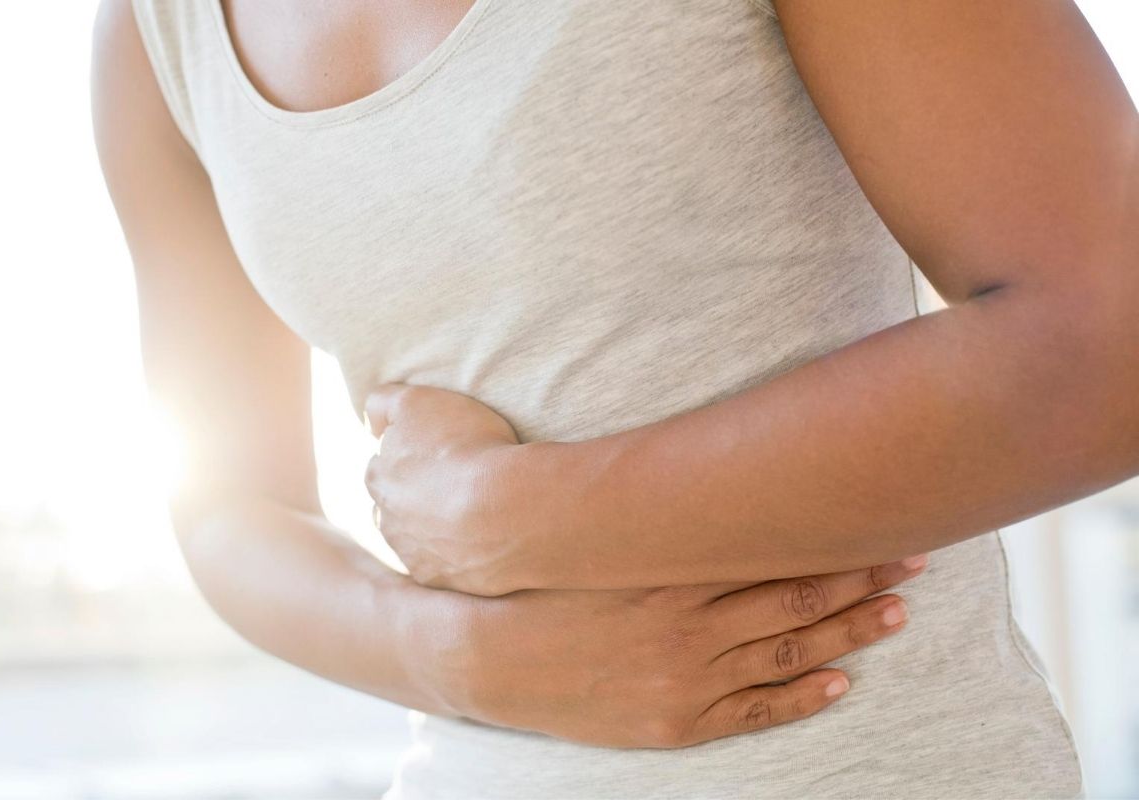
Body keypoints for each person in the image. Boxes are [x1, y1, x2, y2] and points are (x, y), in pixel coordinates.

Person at [90, 0, 1134, 797]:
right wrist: (456, 656)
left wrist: (522, 519)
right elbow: (229, 508)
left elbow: (1109, 339)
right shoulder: (154, 35)